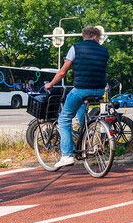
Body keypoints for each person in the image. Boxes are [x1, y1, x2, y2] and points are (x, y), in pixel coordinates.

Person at [44, 26, 109, 169]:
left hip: (81, 89)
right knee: (80, 105)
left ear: (85, 36)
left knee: (64, 118)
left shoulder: (75, 48)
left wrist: (51, 84)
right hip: (99, 91)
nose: (99, 40)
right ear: (95, 36)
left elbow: (62, 72)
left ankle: (66, 155)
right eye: (99, 38)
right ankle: (86, 137)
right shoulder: (104, 51)